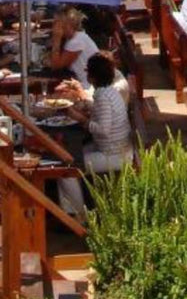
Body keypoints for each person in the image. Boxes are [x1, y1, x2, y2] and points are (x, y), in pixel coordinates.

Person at [57, 52, 133, 219]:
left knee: (66, 169)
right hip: (115, 148)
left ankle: (79, 216)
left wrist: (80, 119)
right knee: (71, 153)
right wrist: (86, 107)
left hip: (115, 154)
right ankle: (81, 207)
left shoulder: (104, 96)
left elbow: (103, 129)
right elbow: (102, 113)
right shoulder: (107, 92)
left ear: (91, 77)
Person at [48, 7, 100, 87]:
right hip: (83, 81)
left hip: (89, 85)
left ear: (67, 25)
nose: (54, 27)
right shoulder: (77, 37)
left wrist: (56, 39)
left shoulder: (76, 42)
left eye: (56, 23)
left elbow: (56, 66)